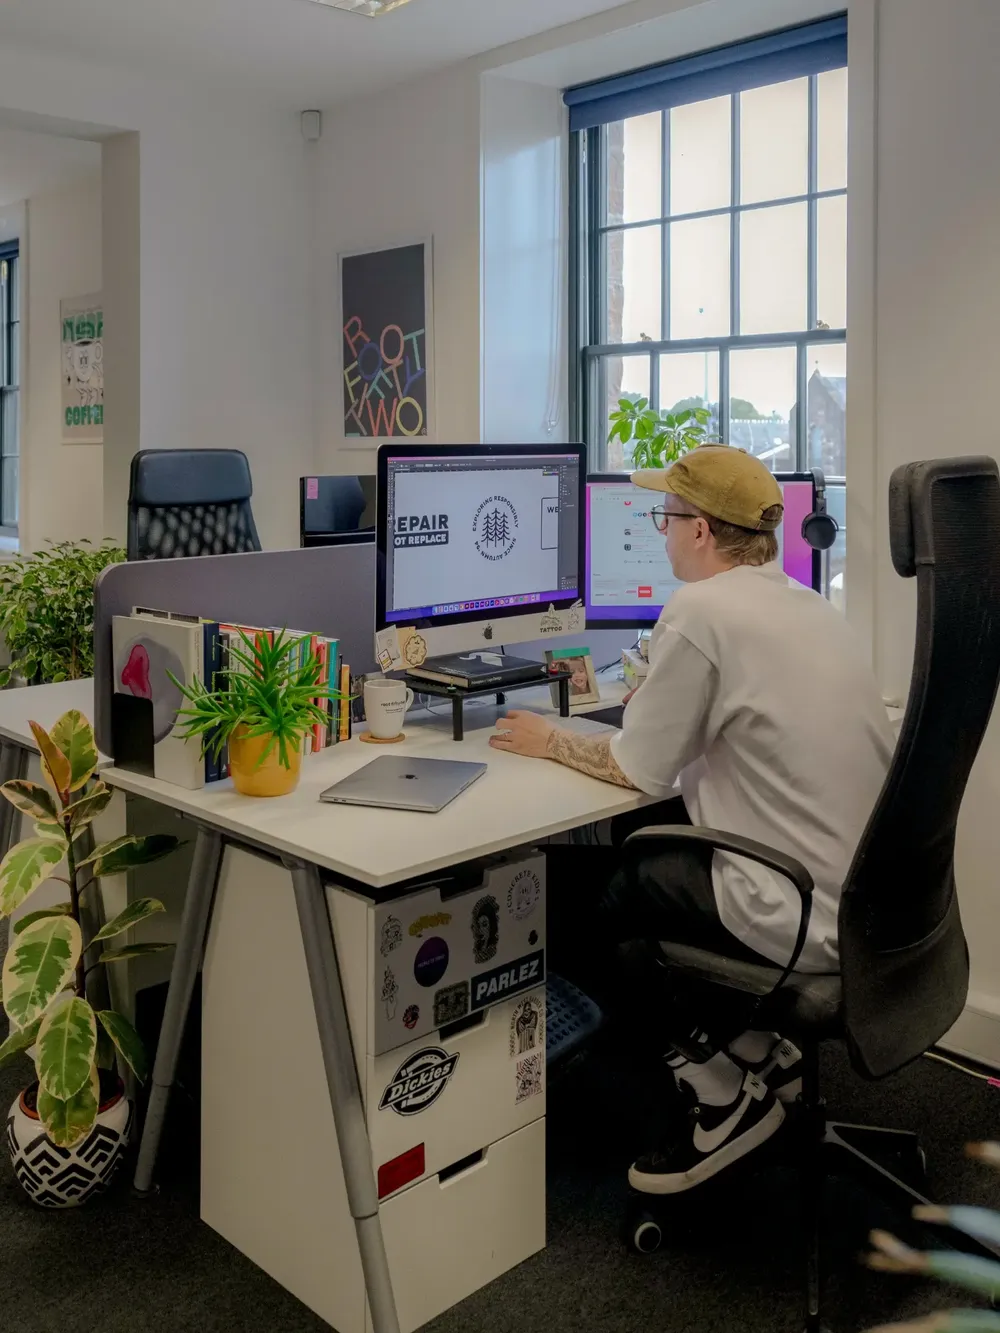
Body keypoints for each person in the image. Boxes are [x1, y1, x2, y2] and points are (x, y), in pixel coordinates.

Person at [490, 445, 894, 1195]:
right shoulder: (808, 605)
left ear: (701, 531)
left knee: (589, 899)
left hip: (797, 902)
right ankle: (750, 1042)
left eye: (665, 517)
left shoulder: (701, 611)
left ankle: (719, 1093)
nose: (662, 530)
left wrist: (549, 737)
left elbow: (636, 768)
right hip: (869, 905)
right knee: (640, 845)